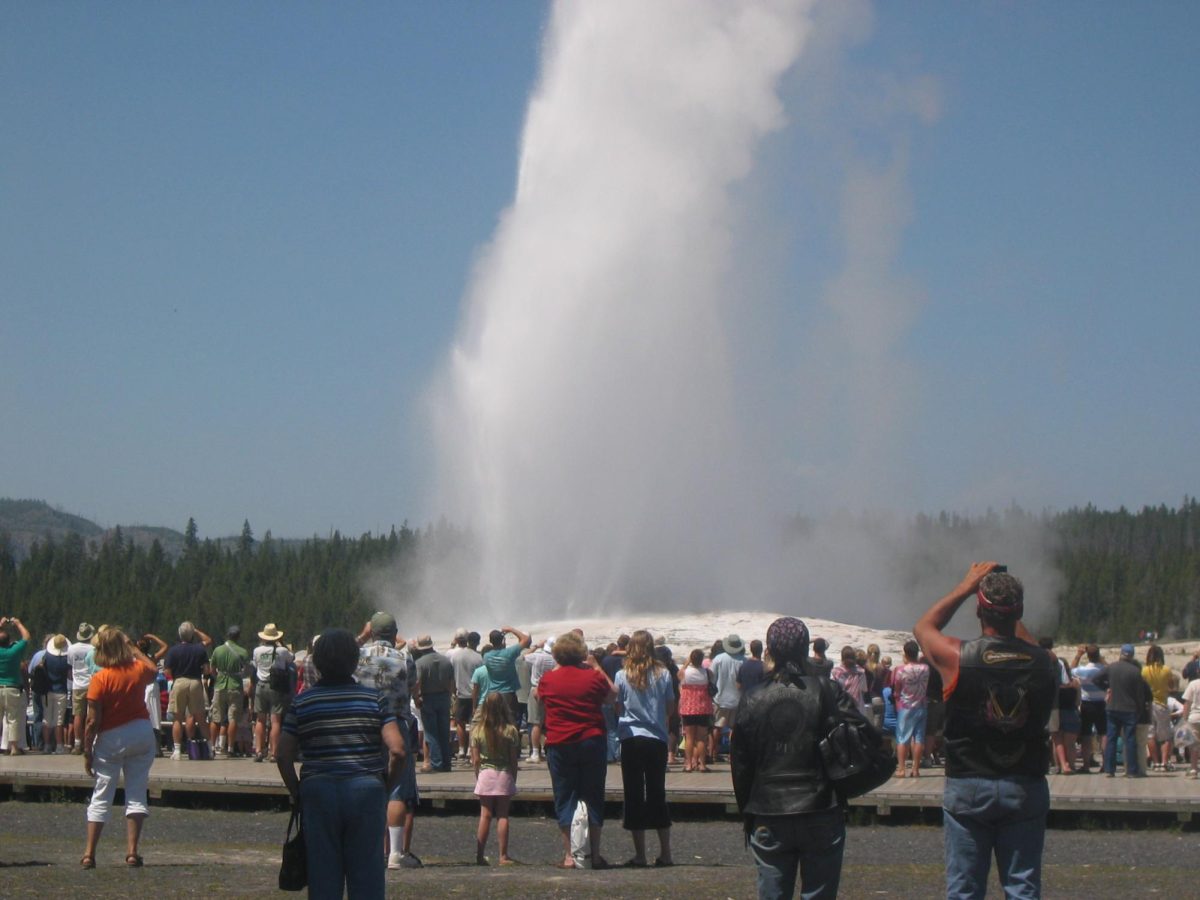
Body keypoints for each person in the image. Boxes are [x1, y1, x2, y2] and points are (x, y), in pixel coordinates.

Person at [914, 562, 1056, 900]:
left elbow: (923, 627)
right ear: (1019, 611)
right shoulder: (1045, 662)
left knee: (964, 889)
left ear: (979, 609)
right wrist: (1009, 609)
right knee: (1022, 888)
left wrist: (968, 584)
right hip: (1024, 781)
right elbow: (1032, 647)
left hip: (969, 781)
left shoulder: (957, 657)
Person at [732, 616, 871, 899]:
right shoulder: (826, 690)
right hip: (820, 805)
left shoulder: (752, 697)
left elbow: (741, 762)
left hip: (769, 809)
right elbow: (861, 732)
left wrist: (747, 809)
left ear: (770, 650)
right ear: (805, 649)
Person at [276, 628, 405, 899]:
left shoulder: (302, 702)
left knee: (323, 878)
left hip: (318, 790)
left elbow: (283, 755)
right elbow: (398, 750)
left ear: (318, 662)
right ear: (354, 660)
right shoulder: (375, 700)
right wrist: (385, 787)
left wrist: (296, 790)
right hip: (366, 790)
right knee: (367, 877)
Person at [79, 628, 160, 869]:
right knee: (136, 791)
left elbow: (92, 721)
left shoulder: (100, 679)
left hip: (111, 737)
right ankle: (132, 852)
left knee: (102, 793)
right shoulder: (137, 670)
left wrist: (87, 750)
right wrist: (134, 648)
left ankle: (89, 853)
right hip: (141, 732)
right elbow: (154, 670)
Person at [536, 630, 616, 870]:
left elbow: (541, 702)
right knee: (593, 794)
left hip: (560, 741)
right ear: (582, 654)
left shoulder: (549, 679)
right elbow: (613, 696)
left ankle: (570, 855)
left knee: (565, 795)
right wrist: (596, 666)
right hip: (591, 739)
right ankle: (595, 853)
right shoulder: (593, 677)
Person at [356, 612, 422, 870]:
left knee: (364, 782)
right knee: (397, 789)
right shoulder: (404, 657)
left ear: (371, 631)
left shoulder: (357, 656)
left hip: (364, 725)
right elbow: (413, 685)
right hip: (395, 723)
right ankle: (396, 853)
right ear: (394, 633)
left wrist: (361, 636)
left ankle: (366, 847)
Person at [614, 630, 675, 868]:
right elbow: (670, 707)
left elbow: (618, 708)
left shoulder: (622, 675)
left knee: (634, 794)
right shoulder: (664, 674)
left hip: (631, 737)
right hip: (656, 738)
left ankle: (640, 854)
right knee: (657, 792)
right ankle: (665, 852)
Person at [471, 692, 521, 866]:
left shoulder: (477, 730)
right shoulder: (510, 731)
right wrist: (513, 777)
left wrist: (478, 775)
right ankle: (503, 856)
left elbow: (475, 759)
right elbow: (513, 759)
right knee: (503, 815)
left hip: (485, 773)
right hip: (504, 773)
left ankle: (479, 855)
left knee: (485, 815)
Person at [163, 621, 213, 760]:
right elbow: (207, 669)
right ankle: (210, 749)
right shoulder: (199, 649)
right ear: (192, 635)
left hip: (179, 681)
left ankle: (177, 750)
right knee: (201, 718)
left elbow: (167, 671)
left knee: (177, 718)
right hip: (195, 682)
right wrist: (195, 630)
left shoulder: (173, 650)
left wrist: (174, 678)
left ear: (179, 635)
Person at [1101, 644, 1147, 778]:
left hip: (1112, 707)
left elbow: (1096, 679)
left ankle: (1109, 769)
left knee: (1111, 739)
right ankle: (1131, 771)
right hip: (1129, 708)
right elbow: (1140, 694)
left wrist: (1107, 687)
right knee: (1130, 739)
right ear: (1132, 656)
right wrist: (1139, 708)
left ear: (1121, 654)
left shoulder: (1111, 667)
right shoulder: (1135, 671)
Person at [413, 634, 455, 773]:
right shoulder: (445, 660)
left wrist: (416, 698)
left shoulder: (420, 662)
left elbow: (417, 682)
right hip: (444, 697)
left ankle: (437, 763)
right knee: (444, 731)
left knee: (431, 733)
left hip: (428, 698)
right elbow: (451, 682)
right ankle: (447, 762)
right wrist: (449, 696)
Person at [251, 623, 291, 762]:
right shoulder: (282, 651)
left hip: (260, 685)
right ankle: (274, 753)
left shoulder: (257, 650)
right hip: (275, 686)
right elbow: (290, 660)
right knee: (275, 721)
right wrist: (282, 644)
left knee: (260, 720)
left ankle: (258, 751)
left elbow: (255, 665)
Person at [208, 625, 249, 758]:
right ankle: (230, 748)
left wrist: (217, 677)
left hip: (220, 685)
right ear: (238, 636)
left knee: (216, 718)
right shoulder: (242, 651)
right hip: (235, 685)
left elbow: (212, 670)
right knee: (233, 718)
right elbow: (247, 671)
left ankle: (212, 747)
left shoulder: (217, 650)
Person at [891, 640, 929, 778]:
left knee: (902, 738)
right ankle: (916, 769)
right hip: (922, 705)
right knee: (919, 738)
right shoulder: (925, 669)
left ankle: (901, 769)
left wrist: (897, 702)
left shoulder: (900, 670)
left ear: (905, 653)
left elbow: (897, 690)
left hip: (906, 706)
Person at [447, 628, 483, 762]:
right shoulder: (479, 657)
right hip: (475, 695)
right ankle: (470, 750)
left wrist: (452, 691)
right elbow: (480, 678)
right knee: (473, 724)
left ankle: (461, 749)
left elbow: (451, 676)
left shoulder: (456, 656)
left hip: (460, 694)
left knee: (460, 723)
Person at [483, 626, 532, 724]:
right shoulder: (509, 653)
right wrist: (510, 629)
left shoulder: (486, 656)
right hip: (508, 693)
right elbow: (526, 640)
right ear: (502, 641)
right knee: (510, 722)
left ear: (490, 641)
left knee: (495, 722)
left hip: (493, 694)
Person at [1071, 644, 1107, 771]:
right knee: (1103, 734)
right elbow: (1109, 668)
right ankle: (1105, 764)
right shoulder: (1104, 670)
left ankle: (1086, 765)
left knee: (1086, 735)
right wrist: (1101, 658)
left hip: (1087, 703)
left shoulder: (1082, 670)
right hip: (1102, 703)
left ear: (1088, 656)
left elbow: (1070, 670)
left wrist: (1078, 655)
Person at [678, 648, 715, 773]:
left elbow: (679, 674)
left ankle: (688, 764)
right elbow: (713, 679)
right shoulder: (707, 673)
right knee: (701, 738)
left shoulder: (685, 672)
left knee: (689, 738)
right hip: (703, 708)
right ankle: (702, 764)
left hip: (688, 709)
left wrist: (687, 662)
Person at [0, 616, 31, 755]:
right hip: (13, 688)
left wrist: (1, 625)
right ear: (9, 642)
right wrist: (18, 623)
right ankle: (13, 747)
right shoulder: (14, 651)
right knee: (13, 719)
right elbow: (26, 637)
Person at [1142, 645, 1175, 771]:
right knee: (1165, 736)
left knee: (1150, 735)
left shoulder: (1145, 670)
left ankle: (1155, 763)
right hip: (1162, 703)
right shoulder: (1166, 670)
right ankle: (1164, 762)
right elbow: (1171, 686)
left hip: (1149, 705)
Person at [68, 623, 97, 754]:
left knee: (78, 715)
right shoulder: (93, 649)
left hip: (77, 684)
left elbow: (70, 666)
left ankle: (77, 743)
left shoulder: (71, 649)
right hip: (91, 683)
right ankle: (88, 743)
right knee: (90, 715)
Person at [526, 638, 556, 763]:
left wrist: (537, 645)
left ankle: (535, 752)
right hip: (551, 690)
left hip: (536, 689)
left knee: (536, 722)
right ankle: (549, 750)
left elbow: (524, 656)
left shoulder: (537, 656)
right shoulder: (556, 660)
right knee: (550, 722)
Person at [41, 634, 72, 753]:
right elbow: (69, 675)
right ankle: (59, 745)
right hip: (61, 690)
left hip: (48, 690)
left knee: (46, 719)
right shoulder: (66, 659)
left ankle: (46, 745)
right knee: (59, 720)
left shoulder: (47, 656)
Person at [830, 645, 869, 718]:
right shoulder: (860, 672)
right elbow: (864, 689)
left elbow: (833, 689)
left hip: (841, 707)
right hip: (857, 708)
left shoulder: (835, 672)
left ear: (842, 657)